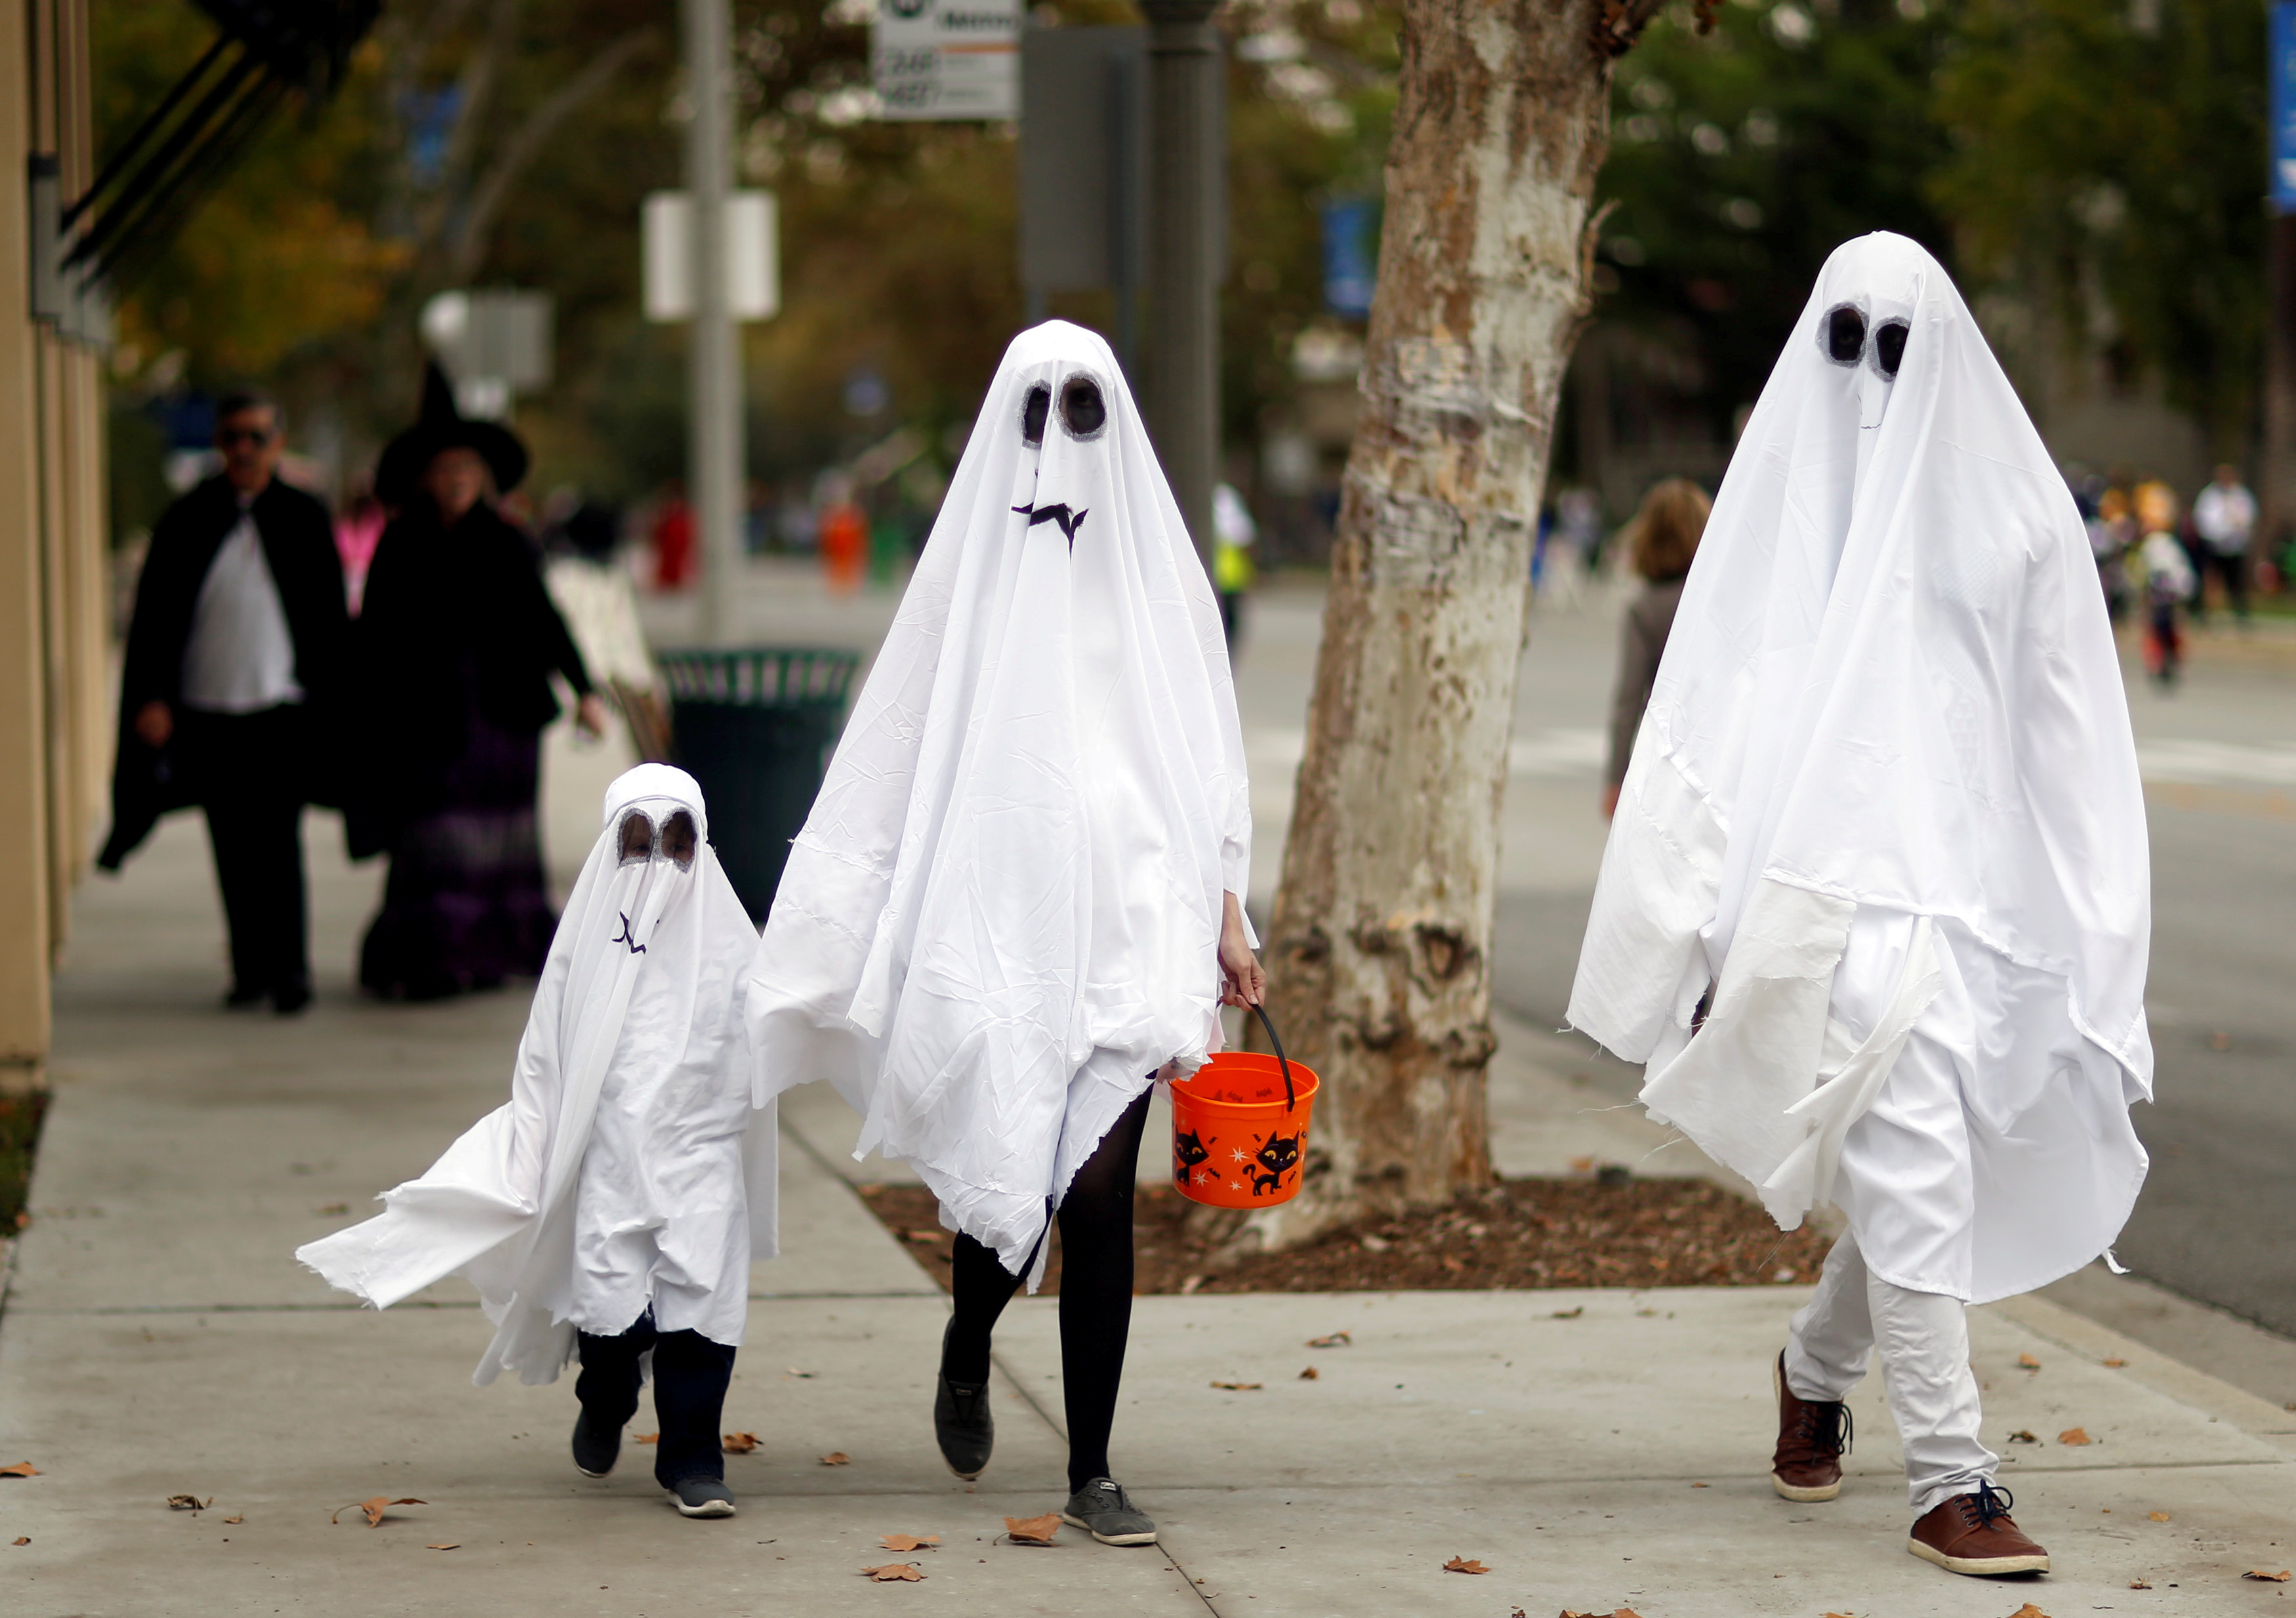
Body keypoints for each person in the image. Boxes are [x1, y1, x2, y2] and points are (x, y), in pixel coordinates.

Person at [1569, 234, 2150, 1580]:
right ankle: (1952, 1476)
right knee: (1914, 1166)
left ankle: (1812, 1362)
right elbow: (1703, 732)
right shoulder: (1774, 526)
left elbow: (2068, 736)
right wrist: (1686, 929)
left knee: (1936, 1172)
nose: (1872, 379)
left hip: (1970, 909)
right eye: (1847, 344)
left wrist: (2093, 931)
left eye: (1896, 346)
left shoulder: (2009, 520)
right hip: (1817, 910)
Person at [747, 322, 1262, 1548]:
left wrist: (1231, 911)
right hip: (995, 925)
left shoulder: (1157, 577)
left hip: (1134, 925)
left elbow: (1207, 761)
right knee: (1016, 1181)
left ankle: (1091, 1469)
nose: (1060, 434)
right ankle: (971, 1336)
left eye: (1084, 406)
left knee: (1096, 1196)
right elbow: (899, 744)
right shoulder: (968, 581)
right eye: (1035, 409)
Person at [299, 766, 774, 1520]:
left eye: (677, 839)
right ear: (610, 844)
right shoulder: (582, 949)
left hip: (699, 1160)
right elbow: (545, 1057)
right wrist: (530, 1144)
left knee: (703, 1309)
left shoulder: (732, 945)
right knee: (610, 1314)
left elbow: (779, 1029)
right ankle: (605, 1394)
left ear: (702, 840)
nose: (658, 863)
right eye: (638, 840)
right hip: (608, 1164)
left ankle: (692, 1457)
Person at [350, 365, 607, 1000]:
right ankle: (435, 953)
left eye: (466, 467)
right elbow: (374, 632)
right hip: (425, 716)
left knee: (499, 833)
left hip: (503, 713)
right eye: (443, 467)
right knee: (433, 833)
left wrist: (585, 690)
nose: (455, 478)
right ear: (423, 478)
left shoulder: (509, 541)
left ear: (484, 477)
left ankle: (493, 948)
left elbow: (545, 619)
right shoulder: (400, 542)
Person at [100, 392, 347, 1013]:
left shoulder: (304, 516)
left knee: (279, 846)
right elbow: (155, 618)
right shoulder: (188, 519)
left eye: (257, 436)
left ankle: (290, 972)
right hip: (207, 710)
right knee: (232, 846)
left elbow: (328, 618)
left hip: (281, 709)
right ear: (219, 443)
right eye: (233, 436)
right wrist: (153, 697)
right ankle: (250, 969)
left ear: (277, 441)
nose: (244, 448)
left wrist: (331, 697)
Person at [1601, 477, 1710, 820]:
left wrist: (1615, 779)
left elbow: (1628, 701)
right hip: (1718, 747)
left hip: (1668, 757)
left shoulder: (1644, 609)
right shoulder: (1715, 600)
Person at [2191, 462, 2255, 622]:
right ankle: (2206, 613)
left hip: (2235, 546)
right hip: (2215, 545)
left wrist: (2237, 529)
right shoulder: (2210, 496)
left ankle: (2241, 614)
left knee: (2236, 582)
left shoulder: (2241, 495)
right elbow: (2204, 519)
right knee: (2211, 580)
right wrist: (2216, 533)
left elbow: (2247, 517)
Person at [2139, 514, 2197, 689]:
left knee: (2161, 631)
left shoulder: (2155, 544)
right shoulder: (2170, 545)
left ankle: (2164, 664)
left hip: (2163, 595)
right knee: (2165, 631)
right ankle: (2167, 664)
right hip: (2169, 595)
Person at [1212, 481, 1258, 647]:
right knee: (1228, 628)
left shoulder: (1221, 496)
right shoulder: (1226, 498)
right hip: (1229, 578)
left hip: (1224, 578)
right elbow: (1244, 536)